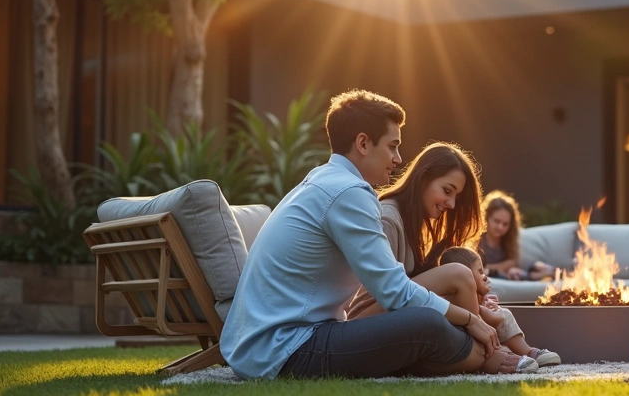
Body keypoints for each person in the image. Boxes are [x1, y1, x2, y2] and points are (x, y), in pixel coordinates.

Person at [219, 89, 498, 380]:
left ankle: (469, 354)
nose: (398, 158)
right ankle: (479, 355)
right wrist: (469, 319)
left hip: (272, 345)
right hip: (287, 348)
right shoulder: (349, 192)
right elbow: (394, 292)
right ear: (363, 143)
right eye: (392, 146)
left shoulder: (323, 180)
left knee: (426, 323)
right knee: (426, 323)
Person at [354, 142, 539, 373]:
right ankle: (492, 352)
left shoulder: (417, 223)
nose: (451, 204)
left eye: (456, 196)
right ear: (423, 179)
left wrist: (475, 301)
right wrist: (470, 318)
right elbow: (390, 293)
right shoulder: (389, 219)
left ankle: (484, 351)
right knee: (458, 273)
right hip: (364, 321)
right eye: (447, 191)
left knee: (467, 344)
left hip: (396, 315)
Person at [439, 246, 562, 367]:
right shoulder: (455, 299)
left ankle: (518, 354)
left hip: (471, 338)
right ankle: (527, 352)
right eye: (480, 271)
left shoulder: (454, 295)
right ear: (466, 275)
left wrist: (484, 303)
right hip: (465, 340)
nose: (485, 277)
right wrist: (492, 311)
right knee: (504, 314)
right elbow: (492, 319)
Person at [477, 190, 556, 281]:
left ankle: (553, 272)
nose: (500, 227)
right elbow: (480, 268)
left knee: (533, 267)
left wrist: (508, 266)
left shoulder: (509, 240)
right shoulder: (477, 240)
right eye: (497, 221)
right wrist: (506, 265)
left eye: (505, 224)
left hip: (513, 274)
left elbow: (513, 261)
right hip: (494, 276)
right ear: (486, 218)